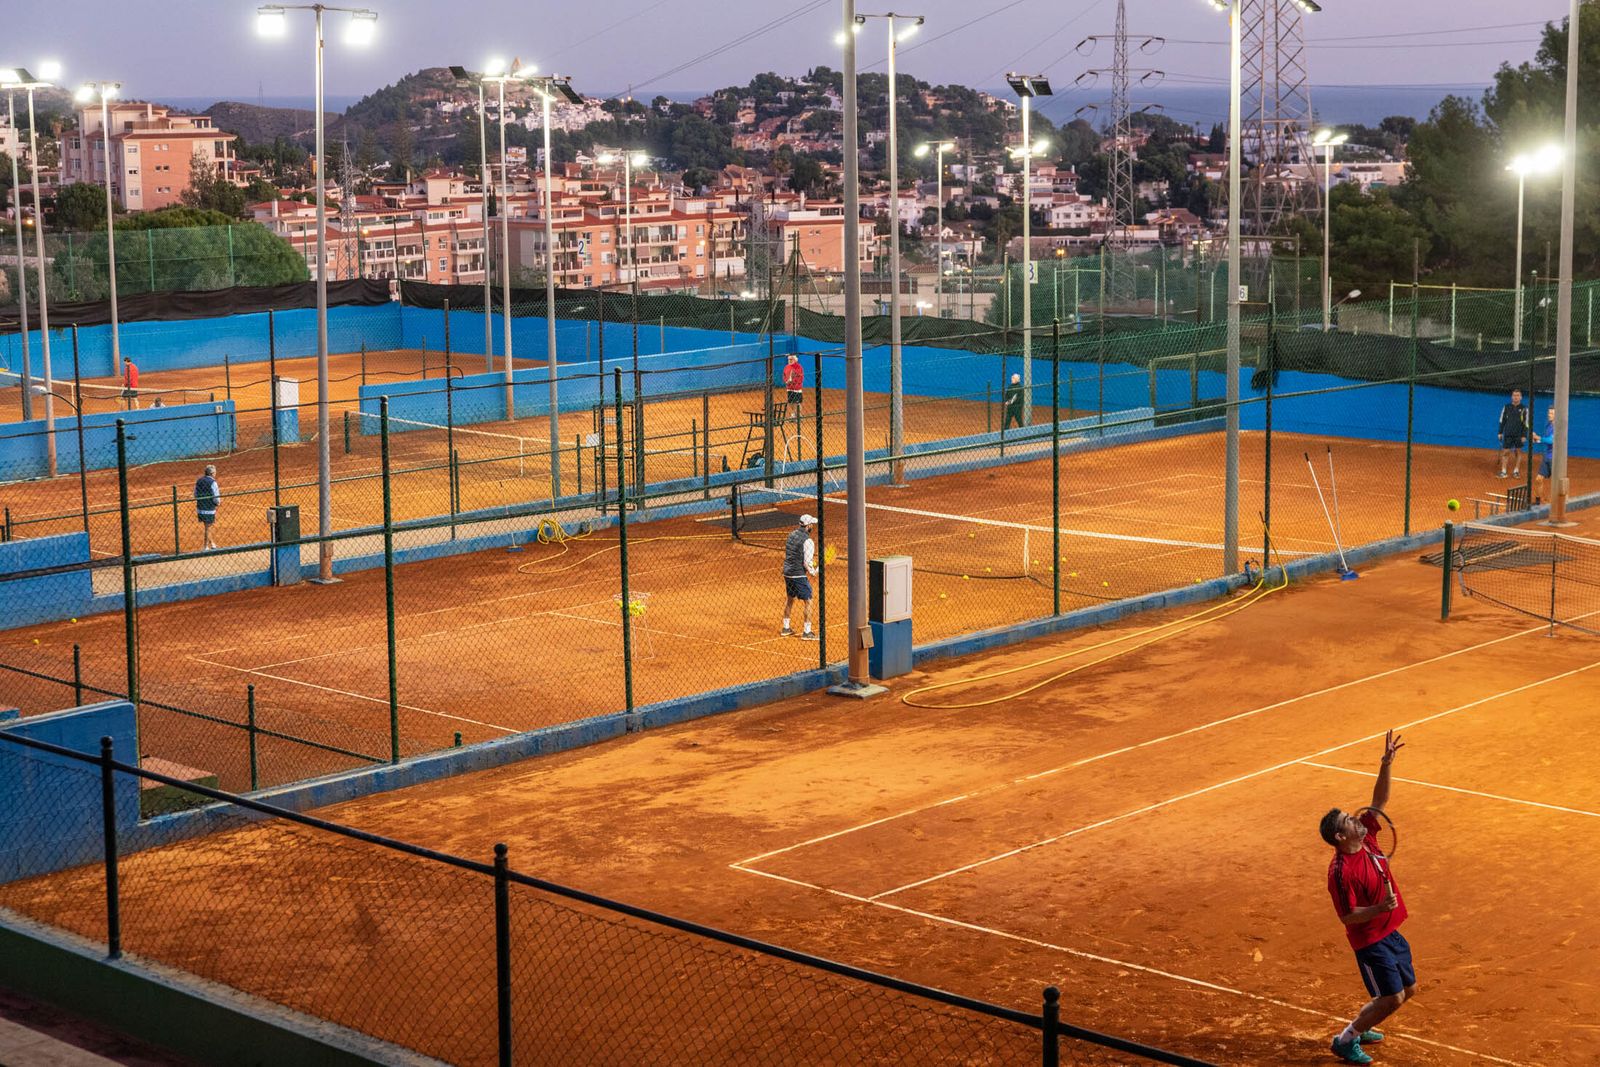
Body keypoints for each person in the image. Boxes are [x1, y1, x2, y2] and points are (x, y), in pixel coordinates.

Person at [1319, 731, 1414, 1065]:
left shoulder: (1368, 837)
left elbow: (1379, 799)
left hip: (1391, 932)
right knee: (1393, 997)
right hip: (1371, 940)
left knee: (1407, 991)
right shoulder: (1341, 872)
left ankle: (1368, 1019)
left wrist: (1386, 762)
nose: (1357, 819)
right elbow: (1347, 917)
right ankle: (1347, 1039)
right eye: (1349, 820)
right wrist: (1379, 908)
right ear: (1340, 837)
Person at [780, 513, 820, 641]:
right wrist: (815, 571)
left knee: (790, 598)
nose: (812, 526)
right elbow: (807, 562)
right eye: (811, 524)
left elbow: (794, 554)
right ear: (808, 526)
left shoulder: (791, 535)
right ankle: (807, 632)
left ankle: (786, 628)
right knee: (808, 600)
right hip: (798, 573)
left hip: (787, 572)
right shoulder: (808, 541)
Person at [1497, 388, 1528, 479]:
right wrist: (1500, 432)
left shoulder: (1524, 409)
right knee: (1505, 452)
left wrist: (1524, 435)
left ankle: (1516, 471)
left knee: (1518, 452)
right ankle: (1503, 471)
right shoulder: (1506, 407)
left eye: (1518, 395)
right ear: (1511, 397)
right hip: (1508, 434)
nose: (1516, 397)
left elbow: (1526, 423)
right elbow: (1502, 420)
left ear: (1521, 397)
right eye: (1514, 395)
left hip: (1519, 435)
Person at [194, 464, 220, 550]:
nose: (215, 473)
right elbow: (216, 496)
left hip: (200, 507)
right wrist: (217, 503)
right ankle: (205, 546)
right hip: (209, 508)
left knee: (208, 526)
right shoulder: (213, 482)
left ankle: (212, 543)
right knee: (208, 527)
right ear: (212, 473)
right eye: (215, 472)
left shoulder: (199, 481)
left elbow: (195, 494)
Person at [1534, 407, 1556, 504]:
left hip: (1555, 458)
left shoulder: (1557, 427)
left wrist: (1539, 437)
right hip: (1546, 457)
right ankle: (1538, 502)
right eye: (1549, 413)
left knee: (1556, 483)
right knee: (1539, 479)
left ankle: (1555, 504)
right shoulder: (1548, 425)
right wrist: (1537, 440)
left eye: (1551, 413)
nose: (1549, 415)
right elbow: (1546, 440)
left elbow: (1552, 440)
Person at [781, 352, 805, 431]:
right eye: (789, 359)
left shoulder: (798, 367)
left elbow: (800, 377)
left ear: (795, 360)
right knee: (791, 402)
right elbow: (784, 375)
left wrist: (793, 382)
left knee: (797, 402)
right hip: (789, 388)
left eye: (791, 359)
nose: (790, 360)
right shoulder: (786, 367)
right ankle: (794, 414)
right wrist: (786, 381)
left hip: (797, 388)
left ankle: (798, 415)